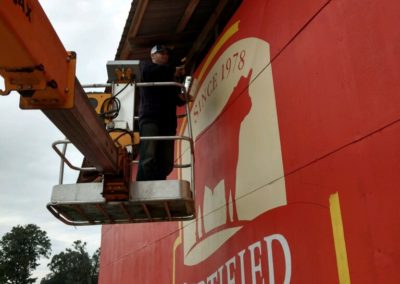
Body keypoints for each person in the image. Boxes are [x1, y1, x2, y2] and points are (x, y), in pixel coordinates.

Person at [136, 44, 186, 181]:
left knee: (167, 161)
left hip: (168, 122)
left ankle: (159, 183)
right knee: (149, 156)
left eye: (166, 54)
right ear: (152, 56)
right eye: (161, 53)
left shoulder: (169, 76)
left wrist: (182, 98)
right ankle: (143, 186)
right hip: (150, 118)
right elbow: (151, 73)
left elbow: (175, 98)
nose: (165, 56)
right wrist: (174, 71)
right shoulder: (145, 66)